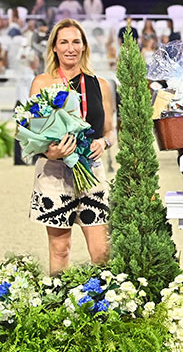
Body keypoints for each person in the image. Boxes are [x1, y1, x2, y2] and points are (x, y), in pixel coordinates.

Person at [28, 18, 116, 275]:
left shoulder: (101, 85)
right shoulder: (42, 83)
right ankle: (58, 309)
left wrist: (103, 141)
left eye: (76, 41)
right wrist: (50, 151)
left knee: (101, 251)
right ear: (54, 47)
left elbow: (110, 129)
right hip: (55, 173)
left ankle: (102, 306)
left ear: (84, 46)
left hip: (92, 173)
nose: (70, 48)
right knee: (60, 249)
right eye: (63, 42)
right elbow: (33, 134)